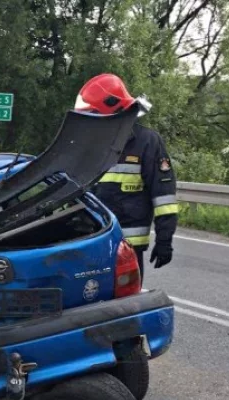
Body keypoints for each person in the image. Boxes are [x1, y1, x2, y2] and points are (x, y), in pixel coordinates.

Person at [74, 73, 179, 279]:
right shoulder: (90, 143)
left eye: (95, 114)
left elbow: (164, 197)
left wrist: (164, 240)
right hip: (90, 242)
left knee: (125, 305)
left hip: (128, 248)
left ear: (113, 110)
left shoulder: (147, 142)